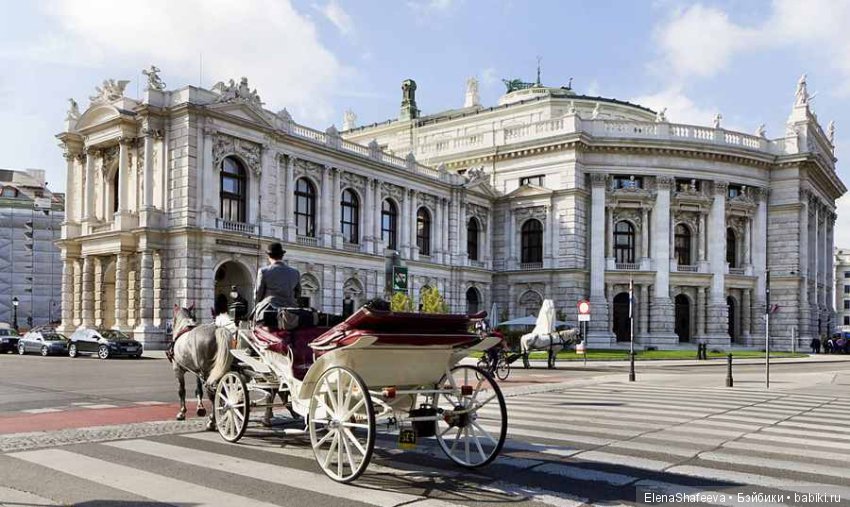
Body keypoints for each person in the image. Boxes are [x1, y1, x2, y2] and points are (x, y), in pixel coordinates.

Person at [253, 242, 301, 321]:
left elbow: (258, 294)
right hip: (291, 312)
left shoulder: (263, 271)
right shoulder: (295, 272)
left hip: (270, 311)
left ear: (269, 256)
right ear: (282, 256)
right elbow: (298, 294)